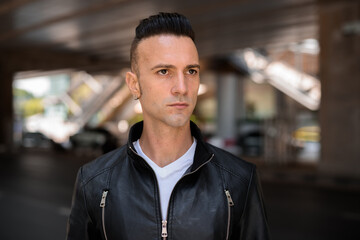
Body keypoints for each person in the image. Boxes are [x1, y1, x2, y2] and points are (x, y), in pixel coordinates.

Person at [66, 12, 270, 240]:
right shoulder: (94, 181)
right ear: (134, 85)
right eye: (164, 71)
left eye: (191, 71)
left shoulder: (239, 179)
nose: (182, 87)